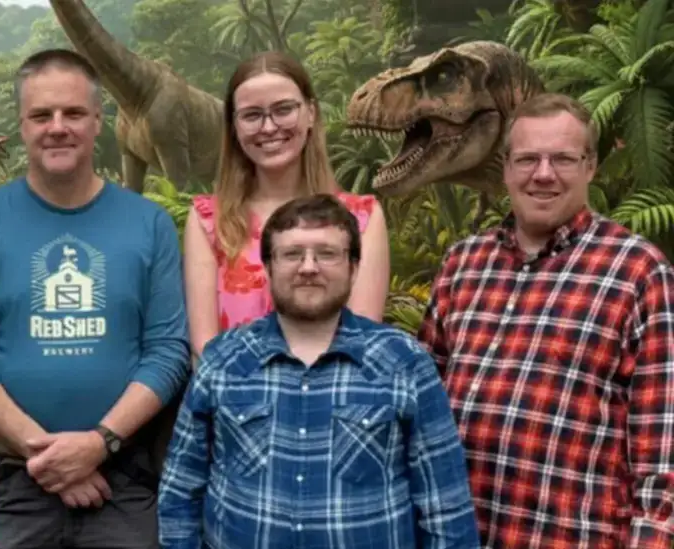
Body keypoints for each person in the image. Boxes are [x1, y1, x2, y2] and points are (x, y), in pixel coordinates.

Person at [0, 48, 190, 549]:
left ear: (98, 121)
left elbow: (167, 350)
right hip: (11, 482)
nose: (58, 127)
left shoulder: (149, 224)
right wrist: (52, 459)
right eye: (41, 115)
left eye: (73, 113)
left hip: (122, 479)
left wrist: (99, 443)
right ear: (22, 124)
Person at [418, 93, 674, 547]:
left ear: (590, 166)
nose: (542, 174)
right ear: (506, 167)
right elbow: (420, 403)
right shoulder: (464, 264)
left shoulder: (637, 271)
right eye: (528, 158)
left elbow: (663, 448)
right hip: (459, 535)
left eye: (562, 159)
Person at [158, 194, 479, 549]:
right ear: (268, 268)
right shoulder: (223, 361)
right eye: (292, 254)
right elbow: (180, 491)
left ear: (354, 268)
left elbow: (446, 509)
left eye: (326, 254)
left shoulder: (405, 363)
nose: (308, 267)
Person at [184, 51, 390, 358]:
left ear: (310, 113)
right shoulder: (209, 220)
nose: (268, 128)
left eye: (283, 110)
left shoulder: (362, 218)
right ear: (234, 126)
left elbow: (359, 339)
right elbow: (206, 348)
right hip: (233, 400)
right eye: (252, 115)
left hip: (336, 399)